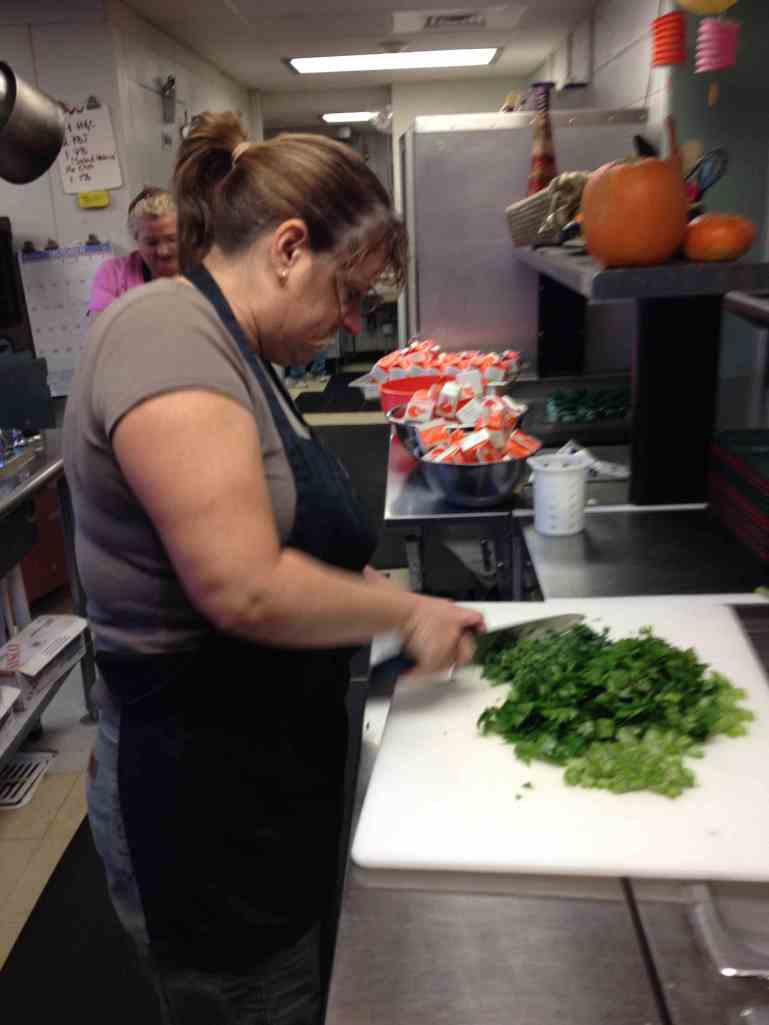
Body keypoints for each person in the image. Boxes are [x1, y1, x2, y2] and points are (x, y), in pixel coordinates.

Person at [63, 111, 483, 1025]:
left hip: (263, 777)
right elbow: (242, 582)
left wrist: (377, 595)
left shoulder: (240, 355)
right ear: (289, 248)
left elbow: (283, 543)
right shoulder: (164, 334)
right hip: (199, 803)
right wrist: (405, 616)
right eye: (347, 292)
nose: (350, 322)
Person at [87, 186, 178, 314]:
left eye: (172, 239)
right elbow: (100, 324)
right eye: (151, 243)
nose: (163, 251)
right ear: (136, 239)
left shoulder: (202, 272)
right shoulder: (114, 274)